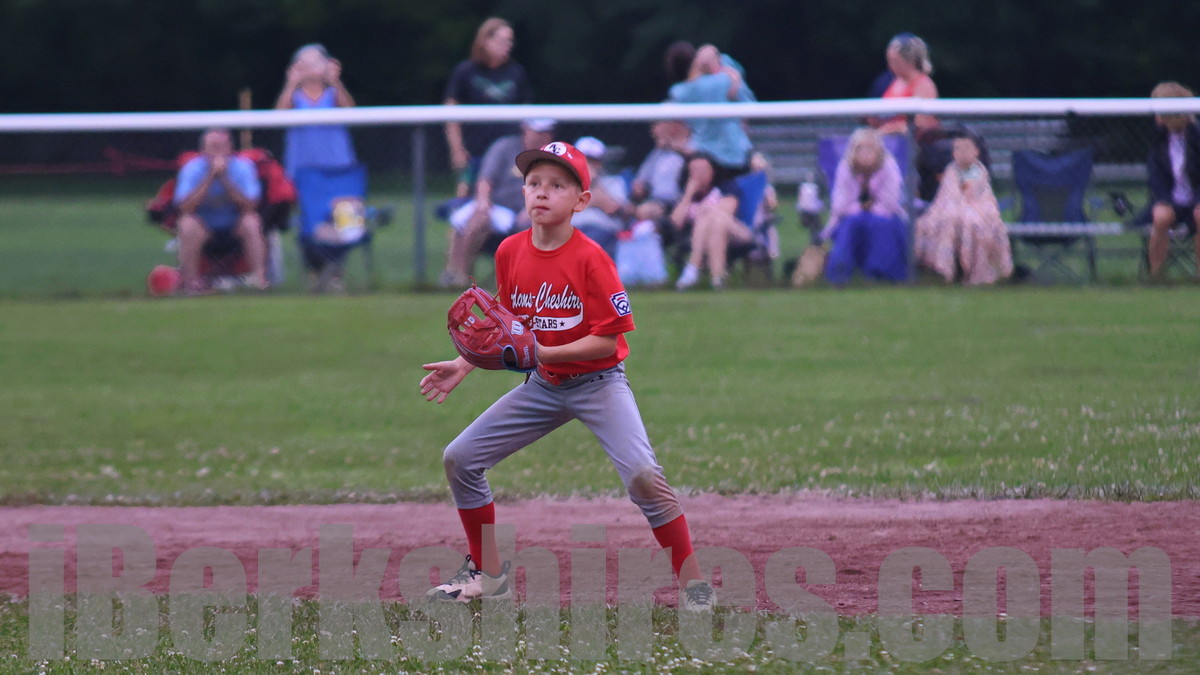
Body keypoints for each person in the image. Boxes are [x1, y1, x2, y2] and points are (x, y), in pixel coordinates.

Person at [419, 140, 715, 611]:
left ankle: (694, 585)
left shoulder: (591, 258)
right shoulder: (510, 251)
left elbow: (607, 342)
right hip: (544, 385)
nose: (542, 192)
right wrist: (464, 363)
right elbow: (507, 328)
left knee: (644, 478)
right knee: (461, 458)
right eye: (534, 182)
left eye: (558, 185)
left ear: (582, 201)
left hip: (600, 384)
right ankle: (487, 576)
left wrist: (542, 351)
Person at [438, 118, 556, 287]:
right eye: (538, 132)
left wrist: (532, 208)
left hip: (522, 212)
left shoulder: (552, 157)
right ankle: (456, 273)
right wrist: (483, 202)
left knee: (483, 221)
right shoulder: (505, 147)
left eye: (547, 132)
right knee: (470, 220)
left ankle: (462, 276)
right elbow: (485, 179)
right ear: (525, 129)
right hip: (495, 205)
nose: (543, 137)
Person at [444, 17, 534, 198]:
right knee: (466, 199)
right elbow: (450, 113)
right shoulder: (466, 71)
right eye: (502, 41)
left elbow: (527, 117)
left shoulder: (516, 73)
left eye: (510, 41)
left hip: (508, 153)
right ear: (486, 40)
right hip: (474, 151)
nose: (507, 46)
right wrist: (457, 149)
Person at [173, 128, 266, 292]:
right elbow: (185, 207)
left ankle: (259, 280)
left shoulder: (244, 167)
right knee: (186, 224)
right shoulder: (191, 168)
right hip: (204, 226)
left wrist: (224, 178)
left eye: (221, 147)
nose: (217, 152)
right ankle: (190, 282)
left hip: (235, 225)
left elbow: (250, 206)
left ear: (230, 148)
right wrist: (210, 176)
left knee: (252, 222)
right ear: (203, 149)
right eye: (213, 147)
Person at [914, 133, 1013, 284]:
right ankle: (940, 270)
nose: (962, 153)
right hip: (948, 209)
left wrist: (964, 208)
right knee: (934, 223)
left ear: (976, 152)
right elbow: (946, 195)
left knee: (973, 224)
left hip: (978, 210)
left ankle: (976, 272)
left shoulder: (978, 172)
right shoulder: (951, 171)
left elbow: (978, 197)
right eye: (958, 149)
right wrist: (953, 208)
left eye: (966, 148)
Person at [821, 128, 909, 285]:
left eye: (869, 148)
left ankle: (882, 274)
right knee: (851, 224)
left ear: (878, 151)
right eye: (859, 148)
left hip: (886, 214)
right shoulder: (845, 167)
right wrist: (861, 208)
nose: (865, 153)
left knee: (880, 224)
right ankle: (839, 273)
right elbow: (839, 206)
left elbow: (890, 203)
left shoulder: (889, 165)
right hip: (851, 214)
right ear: (853, 151)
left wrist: (870, 209)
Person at [665, 42, 755, 186]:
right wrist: (727, 69)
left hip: (707, 153)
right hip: (732, 154)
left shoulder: (680, 92)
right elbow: (742, 92)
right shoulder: (719, 81)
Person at [670, 155, 755, 290]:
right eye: (695, 171)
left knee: (714, 216)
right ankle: (717, 279)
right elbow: (674, 224)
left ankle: (693, 265)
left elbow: (727, 211)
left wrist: (704, 211)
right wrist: (689, 194)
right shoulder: (685, 193)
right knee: (715, 223)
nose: (699, 175)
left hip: (736, 232)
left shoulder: (726, 187)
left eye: (703, 170)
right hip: (705, 235)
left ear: (713, 171)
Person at [274, 43, 357, 180]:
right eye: (305, 63)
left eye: (316, 62)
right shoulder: (294, 97)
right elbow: (278, 117)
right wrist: (291, 83)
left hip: (336, 162)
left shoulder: (333, 93)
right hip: (301, 163)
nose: (311, 66)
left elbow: (351, 112)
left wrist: (335, 81)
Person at [1143, 81, 1200, 279]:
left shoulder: (1196, 136)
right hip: (1171, 200)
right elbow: (1155, 176)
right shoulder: (1159, 139)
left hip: (1196, 199)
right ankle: (1157, 276)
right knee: (1161, 216)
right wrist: (1163, 200)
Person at [570, 135, 631, 260]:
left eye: (593, 161)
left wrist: (594, 182)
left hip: (600, 231)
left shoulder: (613, 182)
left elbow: (612, 209)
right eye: (584, 159)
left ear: (601, 163)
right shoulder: (564, 182)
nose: (588, 164)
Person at [874, 33, 939, 138]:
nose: (890, 66)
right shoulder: (896, 82)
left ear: (910, 61)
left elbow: (922, 124)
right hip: (891, 139)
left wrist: (892, 129)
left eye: (895, 61)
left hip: (914, 143)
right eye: (889, 61)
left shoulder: (923, 85)